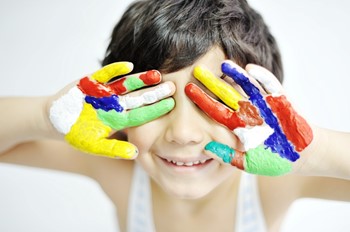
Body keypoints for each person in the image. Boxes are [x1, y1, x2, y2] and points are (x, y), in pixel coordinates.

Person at [1, 0, 350, 232]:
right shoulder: (117, 167)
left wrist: (312, 152)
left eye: (215, 100)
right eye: (154, 101)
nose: (183, 133)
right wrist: (48, 117)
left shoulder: (276, 182)